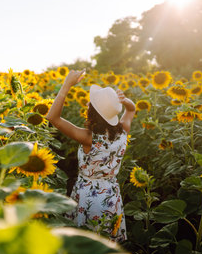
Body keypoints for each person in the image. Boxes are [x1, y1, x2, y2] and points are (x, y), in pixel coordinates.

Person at [45, 69, 135, 242]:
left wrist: (66, 86)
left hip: (88, 196)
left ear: (93, 112)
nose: (87, 105)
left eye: (90, 104)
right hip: (111, 193)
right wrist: (125, 101)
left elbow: (53, 118)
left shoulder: (88, 138)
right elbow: (131, 109)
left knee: (88, 243)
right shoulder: (123, 130)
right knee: (106, 241)